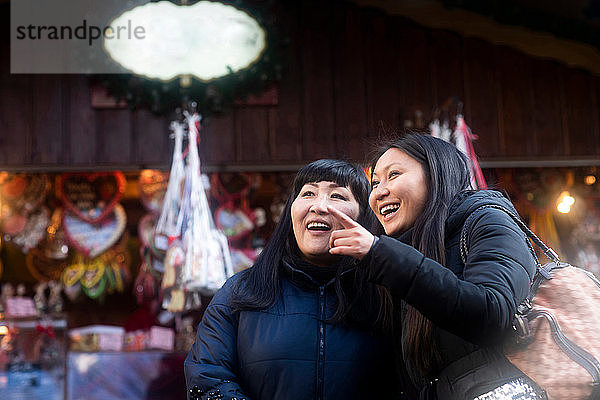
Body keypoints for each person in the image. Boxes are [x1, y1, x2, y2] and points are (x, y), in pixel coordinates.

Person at [328, 134, 544, 400]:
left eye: (393, 174)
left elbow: (492, 314)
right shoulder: (405, 252)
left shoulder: (486, 220)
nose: (379, 192)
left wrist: (379, 253)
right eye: (375, 182)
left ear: (437, 175)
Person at [184, 159, 398, 400]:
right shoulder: (239, 292)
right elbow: (207, 377)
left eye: (337, 196)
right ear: (291, 212)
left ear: (363, 218)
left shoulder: (387, 294)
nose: (319, 206)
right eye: (308, 193)